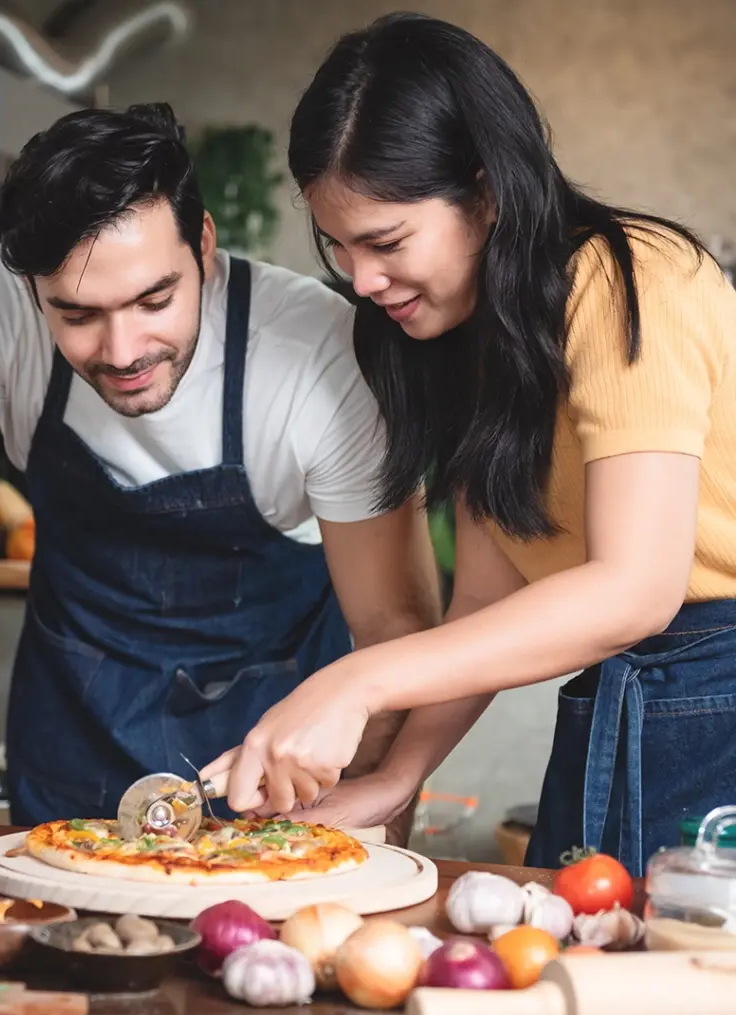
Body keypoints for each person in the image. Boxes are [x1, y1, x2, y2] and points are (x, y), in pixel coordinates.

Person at [204, 13, 736, 874]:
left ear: (485, 195)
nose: (362, 282)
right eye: (339, 249)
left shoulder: (634, 279)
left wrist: (355, 681)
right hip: (622, 703)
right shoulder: (467, 343)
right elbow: (487, 607)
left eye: (385, 243)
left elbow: (639, 590)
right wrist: (398, 777)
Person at [0, 103, 442, 836]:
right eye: (76, 315)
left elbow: (395, 628)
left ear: (204, 245)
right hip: (69, 742)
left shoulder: (319, 354)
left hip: (271, 779)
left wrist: (349, 851)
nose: (123, 349)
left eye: (153, 300)